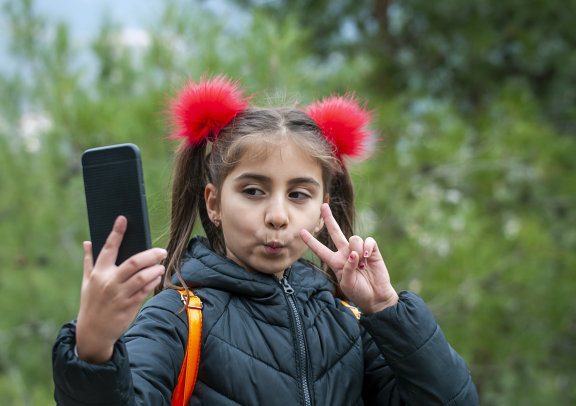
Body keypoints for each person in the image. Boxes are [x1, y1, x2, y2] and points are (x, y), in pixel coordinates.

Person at [52, 75, 479, 405]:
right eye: (253, 191)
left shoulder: (350, 322)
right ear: (214, 203)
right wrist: (93, 347)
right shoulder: (179, 318)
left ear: (321, 210)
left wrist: (387, 312)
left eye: (298, 194)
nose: (277, 216)